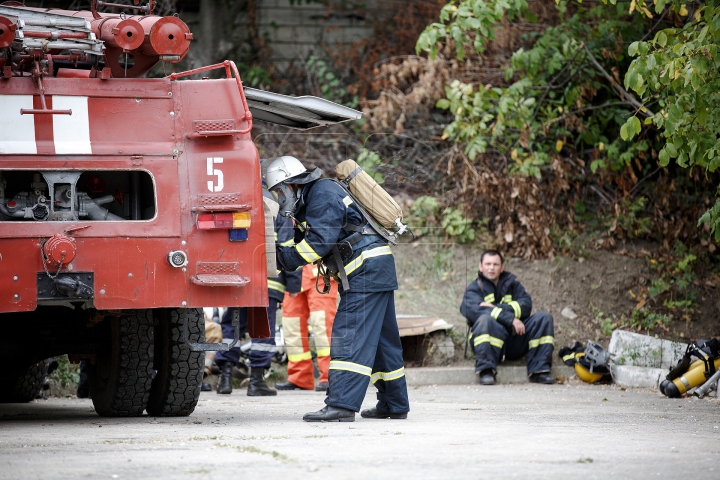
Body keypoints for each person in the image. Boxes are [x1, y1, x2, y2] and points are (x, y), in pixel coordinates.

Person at [266, 156, 409, 422]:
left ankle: (341, 404)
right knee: (382, 342)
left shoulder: (322, 194)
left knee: (349, 335)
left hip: (365, 270)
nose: (278, 198)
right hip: (373, 270)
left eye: (279, 191)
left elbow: (318, 243)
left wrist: (283, 258)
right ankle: (394, 403)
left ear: (292, 185)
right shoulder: (311, 201)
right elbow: (309, 240)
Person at [214, 207, 299, 397]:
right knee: (262, 329)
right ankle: (256, 381)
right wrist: (294, 283)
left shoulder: (237, 204)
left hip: (239, 280)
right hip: (268, 283)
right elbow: (288, 248)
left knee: (232, 326)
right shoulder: (277, 210)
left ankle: (225, 378)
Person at [460, 250, 555, 385]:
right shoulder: (473, 289)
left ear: (502, 267)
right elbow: (476, 312)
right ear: (480, 266)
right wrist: (511, 319)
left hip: (514, 339)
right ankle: (486, 371)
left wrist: (495, 308)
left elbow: (526, 306)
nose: (491, 268)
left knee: (543, 318)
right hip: (489, 346)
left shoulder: (513, 285)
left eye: (495, 264)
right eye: (488, 264)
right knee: (485, 320)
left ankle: (539, 371)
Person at [275, 263, 338, 392]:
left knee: (323, 326)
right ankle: (300, 378)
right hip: (292, 276)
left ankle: (330, 377)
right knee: (292, 327)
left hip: (320, 273)